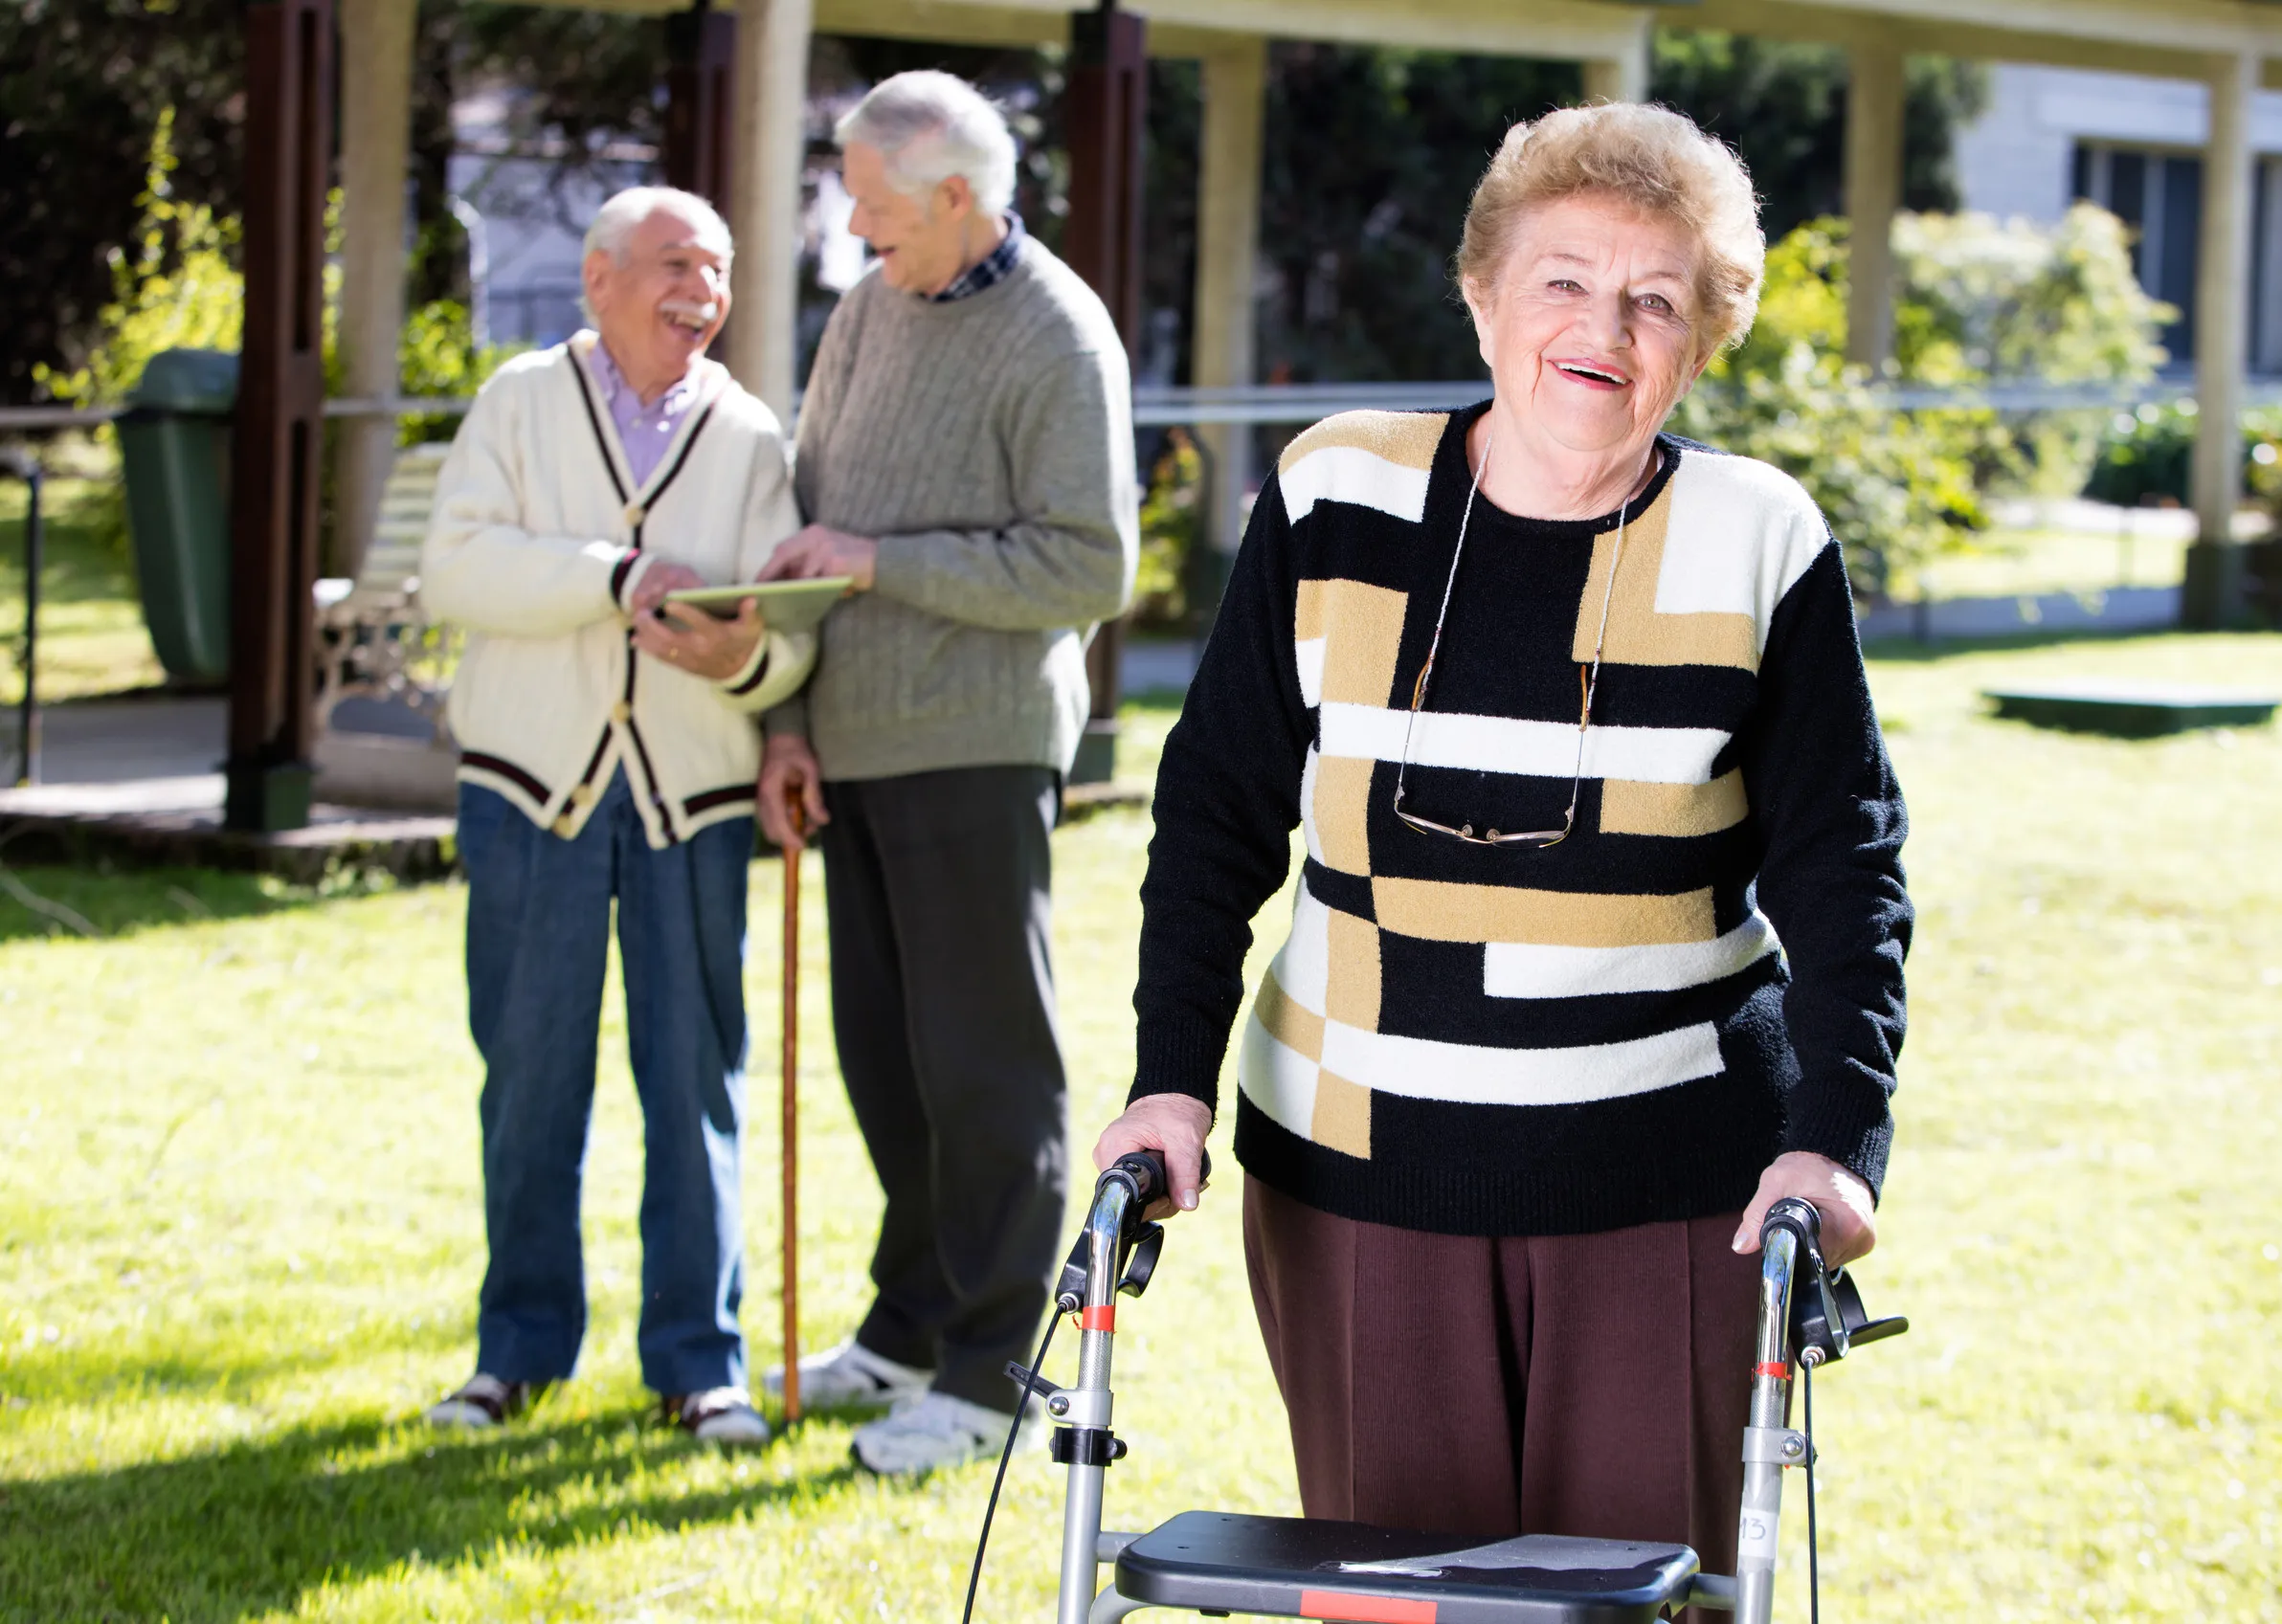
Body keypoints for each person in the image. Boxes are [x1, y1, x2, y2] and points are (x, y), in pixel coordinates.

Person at [1094, 101, 1912, 1587]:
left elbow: (1842, 862)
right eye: (1561, 281)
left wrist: (1833, 1136)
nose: (1601, 327)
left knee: (1640, 1596)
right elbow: (1216, 804)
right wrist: (1167, 1078)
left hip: (1665, 1188)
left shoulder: (1756, 538)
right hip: (1356, 1172)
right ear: (1481, 295)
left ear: (1700, 336)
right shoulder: (1338, 491)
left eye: (1653, 299)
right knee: (1406, 1600)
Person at [752, 69, 1137, 1477]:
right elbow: (807, 513)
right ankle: (905, 1329)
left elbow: (1090, 567)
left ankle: (985, 1371)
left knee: (983, 1072)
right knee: (887, 1064)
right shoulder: (868, 309)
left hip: (976, 746)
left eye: (873, 211)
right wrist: (782, 726)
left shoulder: (1059, 338)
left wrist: (882, 563)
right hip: (845, 740)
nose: (855, 236)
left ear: (957, 197)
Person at [418, 186, 816, 1445]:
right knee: (530, 1080)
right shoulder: (519, 400)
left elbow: (779, 646)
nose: (698, 290)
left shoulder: (749, 431)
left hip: (689, 801)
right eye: (671, 264)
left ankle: (700, 1365)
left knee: (694, 1083)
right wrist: (613, 577)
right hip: (530, 791)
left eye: (716, 268)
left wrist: (744, 669)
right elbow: (457, 566)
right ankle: (515, 1353)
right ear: (598, 279)